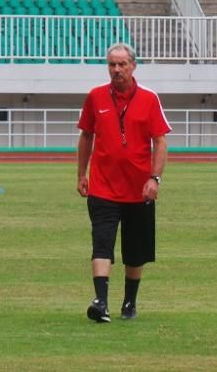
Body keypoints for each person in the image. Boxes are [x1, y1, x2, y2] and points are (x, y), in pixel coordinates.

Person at [76, 43, 171, 323]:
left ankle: (129, 303)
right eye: (111, 65)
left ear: (133, 66)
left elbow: (160, 141)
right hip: (102, 187)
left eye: (121, 64)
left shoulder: (149, 99)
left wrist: (155, 178)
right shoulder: (95, 97)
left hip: (139, 189)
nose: (116, 70)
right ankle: (100, 302)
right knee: (102, 243)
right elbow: (85, 136)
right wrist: (82, 173)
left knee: (135, 251)